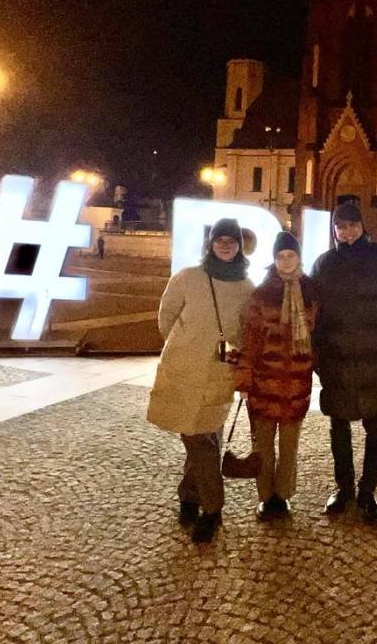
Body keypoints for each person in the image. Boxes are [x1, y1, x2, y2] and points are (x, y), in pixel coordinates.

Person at [146, 218, 254, 543]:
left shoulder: (247, 287)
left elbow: (246, 332)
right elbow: (166, 316)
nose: (225, 245)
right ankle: (201, 501)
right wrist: (183, 346)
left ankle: (203, 504)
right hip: (181, 370)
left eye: (231, 240)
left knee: (205, 438)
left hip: (218, 373)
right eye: (220, 239)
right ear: (210, 243)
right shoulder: (188, 277)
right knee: (196, 436)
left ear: (239, 246)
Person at [312, 201, 377, 526]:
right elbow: (313, 313)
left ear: (362, 226)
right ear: (334, 230)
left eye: (352, 226)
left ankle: (368, 492)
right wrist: (318, 355)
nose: (347, 232)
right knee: (338, 427)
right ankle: (344, 488)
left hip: (376, 359)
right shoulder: (325, 263)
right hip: (338, 361)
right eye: (341, 227)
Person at [234, 231, 318, 520]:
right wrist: (244, 380)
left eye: (290, 255)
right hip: (264, 381)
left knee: (290, 446)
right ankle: (265, 496)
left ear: (298, 257)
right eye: (280, 256)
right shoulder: (261, 294)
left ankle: (283, 495)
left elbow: (317, 336)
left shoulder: (310, 292)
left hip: (297, 382)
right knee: (263, 445)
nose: (285, 261)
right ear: (274, 259)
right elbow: (250, 339)